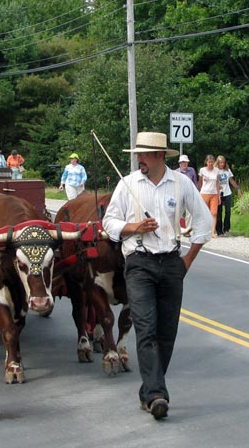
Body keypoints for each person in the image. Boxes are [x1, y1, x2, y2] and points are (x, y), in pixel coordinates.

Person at [102, 132, 212, 421]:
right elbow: (109, 222)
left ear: (160, 156)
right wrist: (133, 227)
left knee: (167, 332)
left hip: (172, 262)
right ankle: (156, 396)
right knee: (146, 327)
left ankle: (148, 390)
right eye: (138, 154)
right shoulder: (127, 184)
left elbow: (204, 221)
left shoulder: (181, 183)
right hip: (139, 263)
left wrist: (188, 259)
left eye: (145, 154)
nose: (140, 159)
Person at [214, 155, 242, 236]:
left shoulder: (227, 170)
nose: (222, 164)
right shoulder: (215, 171)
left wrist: (238, 189)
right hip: (218, 194)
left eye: (223, 163)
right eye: (220, 163)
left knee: (228, 212)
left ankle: (226, 229)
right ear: (218, 163)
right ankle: (219, 231)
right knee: (219, 213)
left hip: (227, 193)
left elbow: (231, 181)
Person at [198, 154, 221, 238]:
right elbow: (200, 183)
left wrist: (219, 196)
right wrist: (199, 192)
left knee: (214, 213)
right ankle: (203, 231)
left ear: (214, 162)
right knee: (204, 212)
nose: (210, 163)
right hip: (204, 193)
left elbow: (218, 183)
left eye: (212, 162)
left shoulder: (217, 170)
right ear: (206, 162)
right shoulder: (202, 170)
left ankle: (212, 232)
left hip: (214, 193)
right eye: (209, 162)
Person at [176, 154, 198, 231]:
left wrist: (196, 192)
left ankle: (187, 230)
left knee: (190, 213)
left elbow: (194, 182)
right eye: (183, 162)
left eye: (186, 162)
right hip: (179, 194)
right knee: (178, 212)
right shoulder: (176, 172)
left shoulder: (192, 170)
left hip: (189, 193)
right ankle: (177, 229)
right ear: (180, 163)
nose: (184, 164)